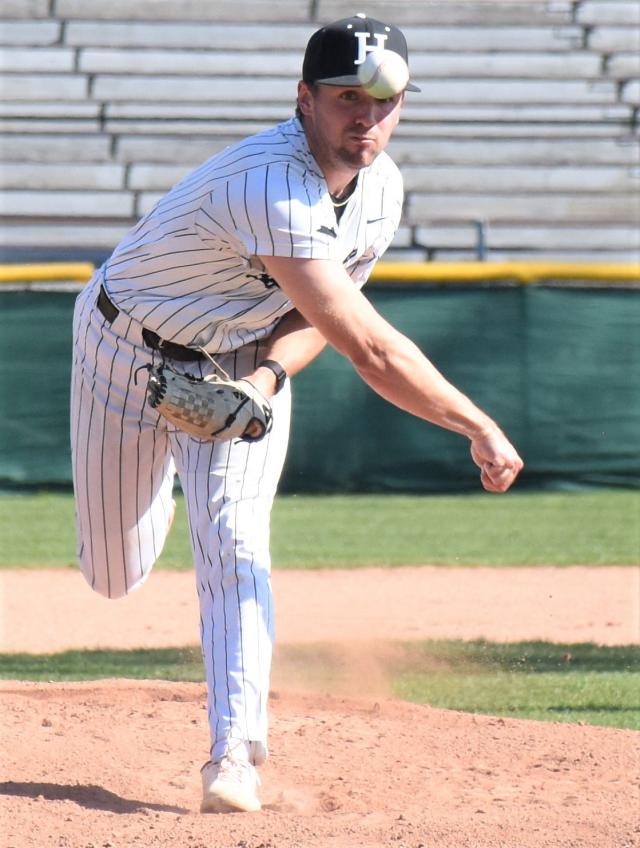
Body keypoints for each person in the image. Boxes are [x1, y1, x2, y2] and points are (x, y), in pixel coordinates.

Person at [70, 13, 523, 815]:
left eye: (387, 100)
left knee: (236, 540)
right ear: (304, 98)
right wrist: (476, 423)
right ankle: (161, 476)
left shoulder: (380, 190)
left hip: (240, 359)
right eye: (348, 96)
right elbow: (371, 350)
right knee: (114, 575)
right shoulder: (268, 180)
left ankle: (233, 758)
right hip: (125, 349)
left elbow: (321, 314)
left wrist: (267, 382)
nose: (368, 116)